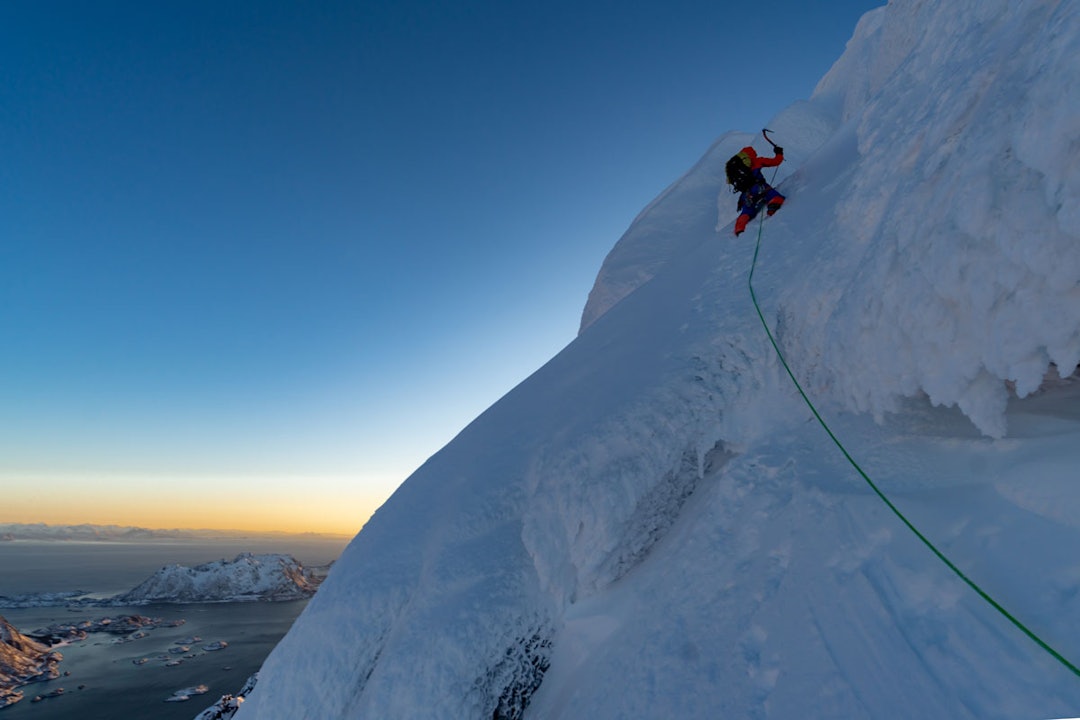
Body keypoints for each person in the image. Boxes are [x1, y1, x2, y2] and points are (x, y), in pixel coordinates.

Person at [729, 145, 785, 236]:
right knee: (771, 194)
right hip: (759, 187)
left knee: (747, 210)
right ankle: (773, 207)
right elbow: (776, 161)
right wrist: (779, 153)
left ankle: (739, 227)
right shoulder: (757, 160)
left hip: (745, 194)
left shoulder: (736, 167)